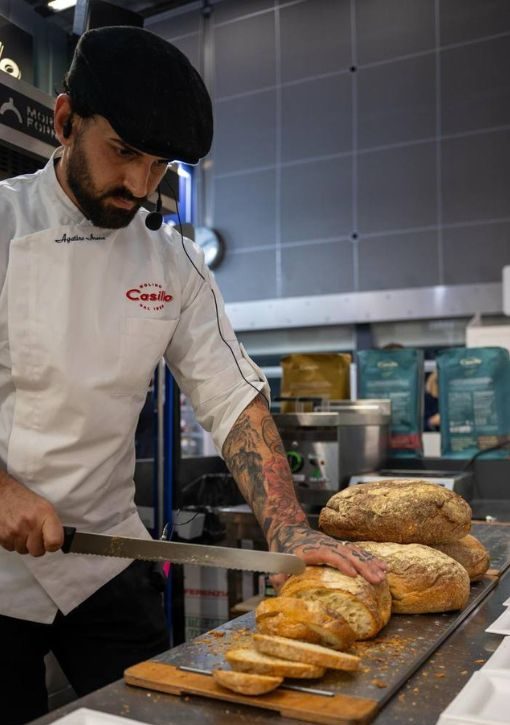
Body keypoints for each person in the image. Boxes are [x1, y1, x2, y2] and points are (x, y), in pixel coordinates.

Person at [0, 26, 386, 724]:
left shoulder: (172, 265)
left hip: (103, 557)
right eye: (123, 153)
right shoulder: (1, 225)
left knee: (162, 713)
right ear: (64, 121)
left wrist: (289, 526)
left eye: (160, 165)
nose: (141, 185)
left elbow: (232, 395)